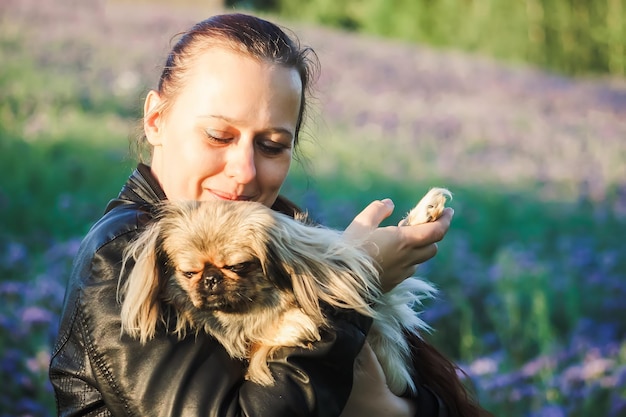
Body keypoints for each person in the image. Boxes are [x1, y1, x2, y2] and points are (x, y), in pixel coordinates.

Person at [49, 13, 487, 417]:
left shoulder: (282, 235)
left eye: (272, 145)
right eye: (219, 135)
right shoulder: (126, 255)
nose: (244, 171)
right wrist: (350, 283)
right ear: (156, 120)